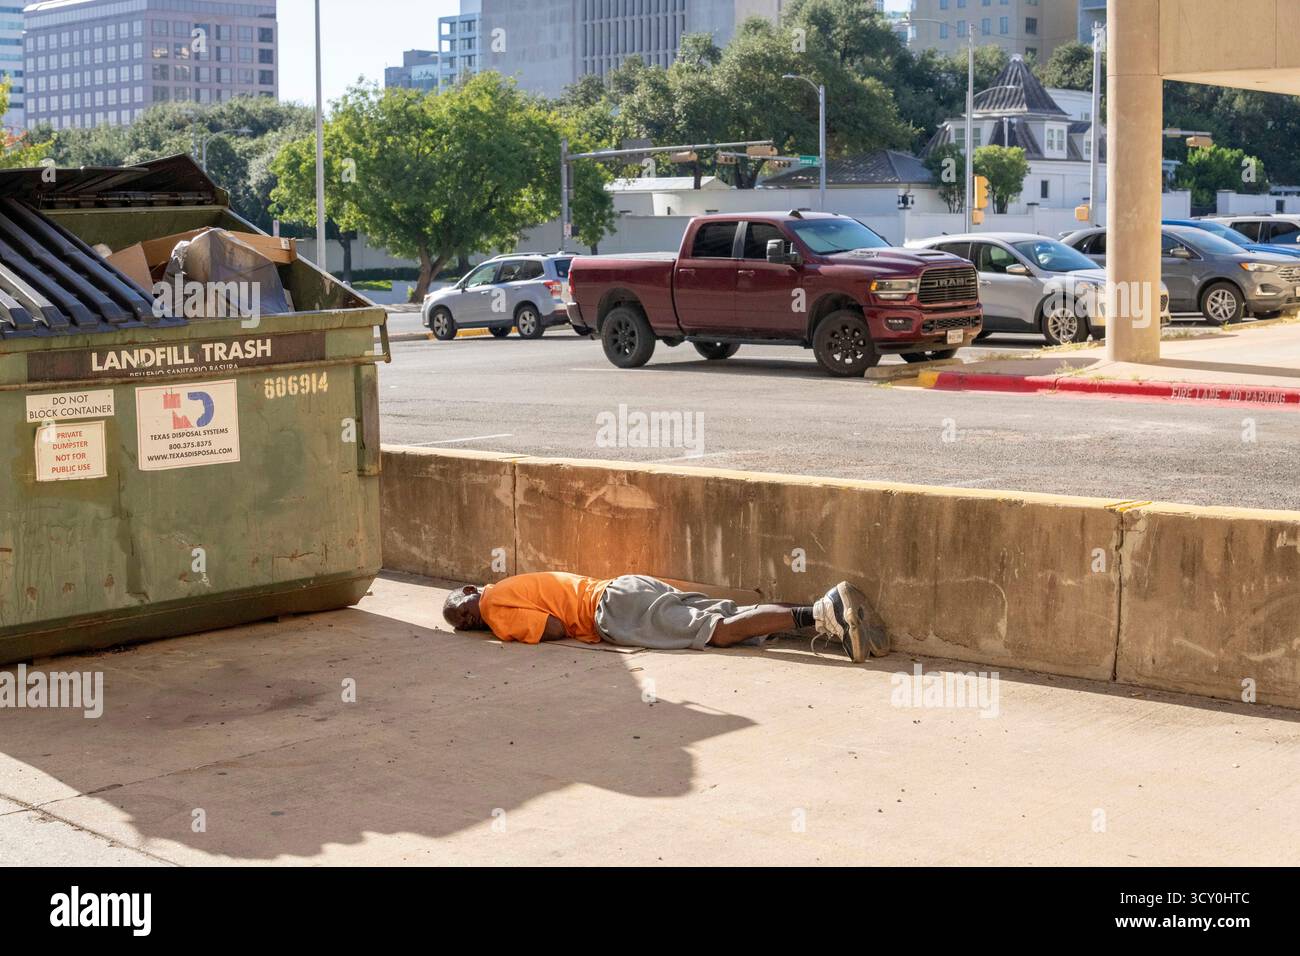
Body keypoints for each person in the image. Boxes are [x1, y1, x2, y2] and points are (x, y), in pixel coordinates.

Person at [441, 571, 889, 663]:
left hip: (612, 612)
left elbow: (553, 628)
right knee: (727, 614)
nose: (465, 623)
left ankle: (820, 612)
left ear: (468, 594)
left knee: (717, 632)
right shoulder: (511, 583)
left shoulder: (494, 606)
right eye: (461, 624)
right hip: (624, 586)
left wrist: (508, 634)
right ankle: (833, 618)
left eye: (459, 615)